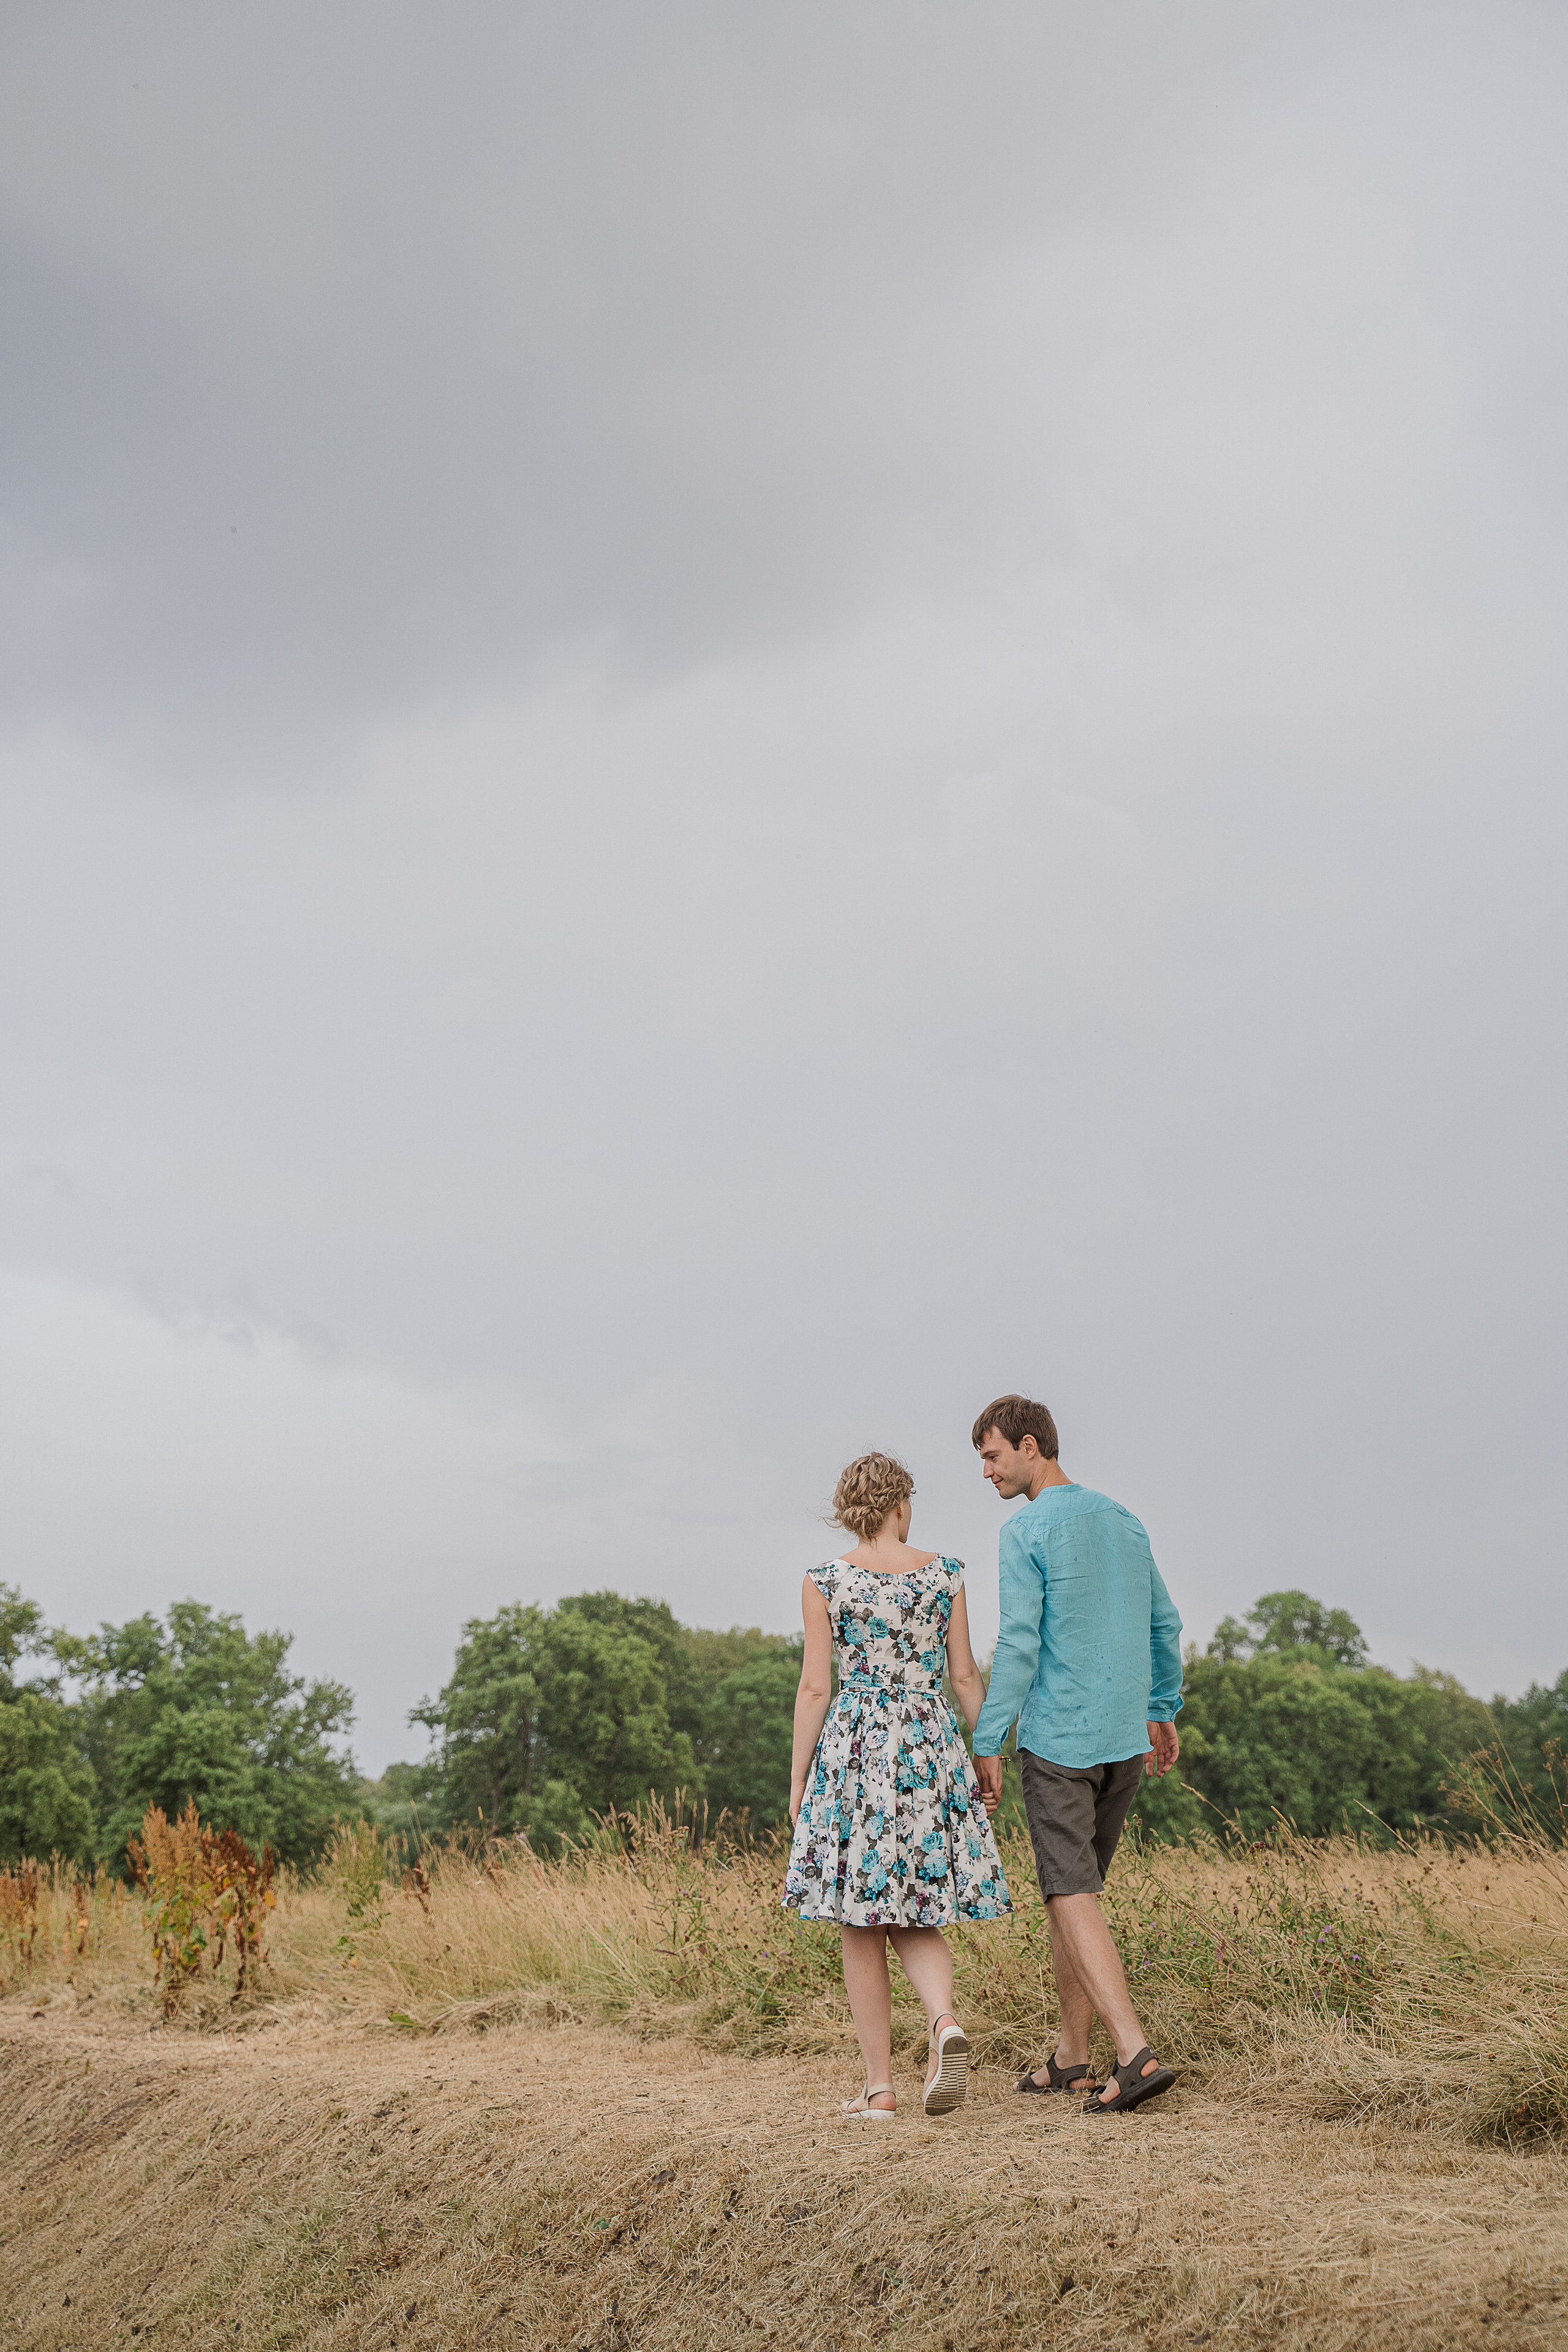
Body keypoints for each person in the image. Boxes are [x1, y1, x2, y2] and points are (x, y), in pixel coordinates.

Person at [969, 1395, 1183, 2116]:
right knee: (1077, 1895)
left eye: (993, 1456)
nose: (988, 1472)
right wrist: (1161, 1707)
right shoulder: (1123, 1518)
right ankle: (1070, 2058)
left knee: (1068, 1891)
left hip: (1060, 1741)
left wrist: (987, 1737)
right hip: (1123, 1740)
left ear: (1032, 1446)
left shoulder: (1024, 1529)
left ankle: (1134, 2051)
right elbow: (1165, 1621)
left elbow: (1021, 1643)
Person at [783, 1450, 1011, 2120]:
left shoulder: (825, 1580)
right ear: (900, 1504)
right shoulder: (946, 1574)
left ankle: (879, 2087)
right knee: (916, 1905)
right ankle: (943, 2023)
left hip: (855, 1749)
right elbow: (965, 1675)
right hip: (928, 1744)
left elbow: (816, 1685)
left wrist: (798, 1778)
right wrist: (988, 1750)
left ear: (851, 1511)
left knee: (861, 1917)